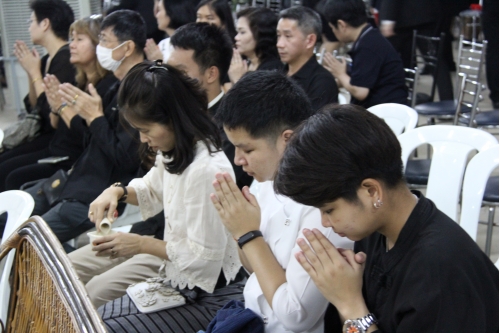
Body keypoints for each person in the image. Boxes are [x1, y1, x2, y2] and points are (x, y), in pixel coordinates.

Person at [274, 104, 499, 332]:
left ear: (371, 191)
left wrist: (349, 303)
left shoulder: (440, 270)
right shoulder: (377, 233)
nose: (324, 222)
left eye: (329, 210)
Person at [78, 62, 242, 332]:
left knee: (102, 315)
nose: (143, 139)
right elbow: (152, 190)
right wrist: (116, 191)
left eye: (146, 130)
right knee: (95, 299)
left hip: (211, 293)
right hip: (179, 273)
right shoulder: (177, 148)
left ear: (173, 118)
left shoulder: (206, 169)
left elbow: (203, 259)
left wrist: (139, 244)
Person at [209, 70, 353, 332]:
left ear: (287, 139)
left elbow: (297, 317)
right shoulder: (266, 179)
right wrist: (240, 232)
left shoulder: (323, 207)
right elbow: (252, 267)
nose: (238, 160)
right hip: (250, 316)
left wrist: (247, 233)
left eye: (248, 149)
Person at [7, 10, 146, 249]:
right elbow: (89, 142)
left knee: (22, 244)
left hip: (97, 193)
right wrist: (68, 111)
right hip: (78, 181)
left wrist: (93, 117)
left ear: (127, 47)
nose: (99, 46)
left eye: (103, 40)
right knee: (10, 218)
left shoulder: (141, 90)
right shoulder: (119, 86)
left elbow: (124, 158)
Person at [1, 15, 118, 192]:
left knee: (12, 176)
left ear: (97, 45)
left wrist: (62, 107)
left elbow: (86, 136)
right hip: (56, 149)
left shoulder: (105, 86)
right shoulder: (79, 81)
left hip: (72, 158)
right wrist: (56, 106)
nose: (72, 45)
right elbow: (54, 122)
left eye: (79, 39)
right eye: (72, 39)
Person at [168, 22, 253, 190]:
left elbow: (206, 187)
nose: (171, 79)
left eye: (181, 72)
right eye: (169, 70)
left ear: (211, 74)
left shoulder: (232, 127)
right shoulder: (173, 112)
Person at [0, 0, 75, 186]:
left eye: (31, 21)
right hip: (42, 133)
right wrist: (30, 71)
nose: (29, 26)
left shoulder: (65, 58)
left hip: (54, 137)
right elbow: (33, 106)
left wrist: (34, 72)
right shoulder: (46, 59)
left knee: (6, 171)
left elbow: (49, 112)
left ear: (45, 24)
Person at [322, 0, 407, 108]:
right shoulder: (369, 36)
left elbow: (360, 92)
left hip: (386, 112)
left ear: (341, 25)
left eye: (332, 28)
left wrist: (340, 74)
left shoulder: (367, 46)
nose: (333, 32)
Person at [277, 6, 338, 110]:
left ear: (310, 40)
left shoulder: (322, 82)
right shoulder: (277, 74)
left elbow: (315, 125)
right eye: (278, 35)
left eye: (288, 36)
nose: (279, 44)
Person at [226, 7, 282, 86]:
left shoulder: (271, 70)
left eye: (242, 32)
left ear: (259, 34)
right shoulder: (245, 63)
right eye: (237, 32)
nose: (236, 37)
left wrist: (237, 80)